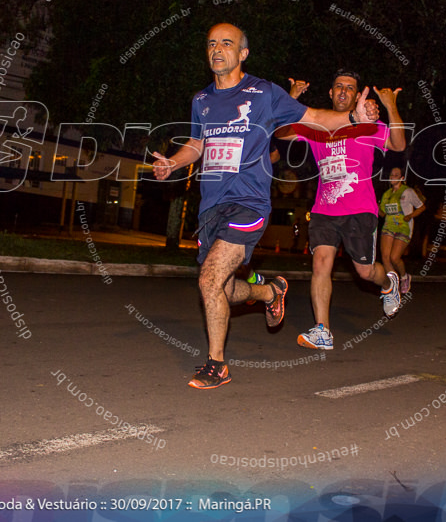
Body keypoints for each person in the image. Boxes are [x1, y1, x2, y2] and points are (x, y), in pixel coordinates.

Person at [151, 23, 379, 388]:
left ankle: (216, 365)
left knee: (208, 279)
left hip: (248, 204)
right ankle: (270, 291)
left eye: (226, 43)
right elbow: (197, 144)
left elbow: (315, 118)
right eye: (211, 44)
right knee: (222, 290)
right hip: (211, 206)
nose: (217, 50)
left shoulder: (264, 93)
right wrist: (172, 163)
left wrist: (354, 118)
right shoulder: (202, 100)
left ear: (243, 53)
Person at [276, 71, 407, 351]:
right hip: (324, 209)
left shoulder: (367, 125)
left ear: (358, 95)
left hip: (360, 209)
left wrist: (390, 105)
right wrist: (292, 99)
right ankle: (322, 330)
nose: (344, 92)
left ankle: (388, 283)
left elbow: (398, 144)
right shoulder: (315, 127)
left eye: (350, 88)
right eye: (339, 87)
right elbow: (280, 133)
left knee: (365, 271)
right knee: (321, 263)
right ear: (331, 93)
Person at [379, 166, 426, 294]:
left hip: (403, 228)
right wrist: (374, 206)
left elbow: (421, 207)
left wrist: (410, 216)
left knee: (394, 258)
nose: (392, 177)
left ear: (402, 178)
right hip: (388, 226)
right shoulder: (386, 195)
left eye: (396, 175)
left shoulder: (408, 192)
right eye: (391, 175)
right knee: (385, 257)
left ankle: (404, 277)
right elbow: (383, 214)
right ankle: (393, 285)